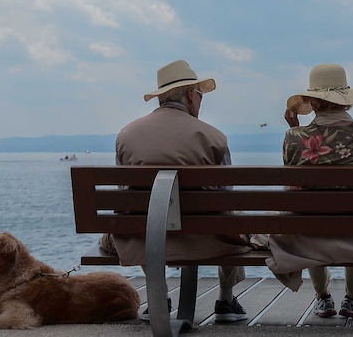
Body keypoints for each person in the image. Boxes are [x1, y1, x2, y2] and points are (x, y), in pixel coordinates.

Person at [99, 59, 251, 323]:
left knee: (138, 219)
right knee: (232, 217)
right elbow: (227, 195)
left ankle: (158, 296)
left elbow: (124, 193)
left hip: (141, 238)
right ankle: (226, 299)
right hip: (207, 238)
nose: (201, 101)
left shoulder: (126, 135)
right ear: (191, 95)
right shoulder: (214, 137)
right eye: (201, 95)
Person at [281, 63, 353, 318]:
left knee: (310, 215)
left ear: (313, 102)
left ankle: (323, 298)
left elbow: (292, 186)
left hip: (311, 230)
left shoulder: (294, 136)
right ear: (346, 101)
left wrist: (293, 127)